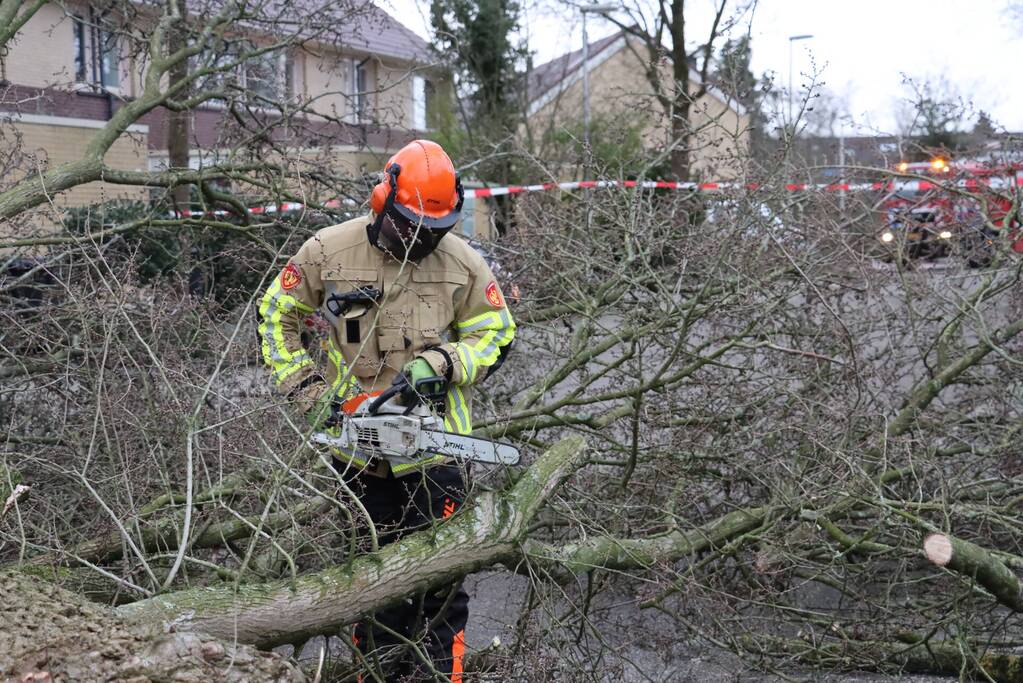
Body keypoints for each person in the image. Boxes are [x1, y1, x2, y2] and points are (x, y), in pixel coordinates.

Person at [257, 140, 515, 681]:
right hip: (356, 452)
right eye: (411, 225)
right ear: (383, 202)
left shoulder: (463, 262)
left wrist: (445, 363)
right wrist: (309, 391)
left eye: (434, 229)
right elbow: (275, 316)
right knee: (370, 585)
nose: (422, 238)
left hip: (437, 448)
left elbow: (497, 333)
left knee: (441, 590)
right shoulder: (329, 250)